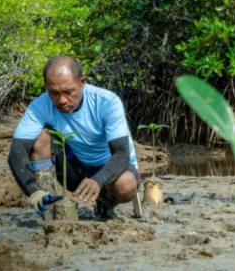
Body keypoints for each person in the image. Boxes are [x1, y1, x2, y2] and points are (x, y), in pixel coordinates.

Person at [8, 55, 139, 220]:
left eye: (68, 92)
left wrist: (97, 180)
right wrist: (34, 192)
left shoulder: (107, 102)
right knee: (42, 137)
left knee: (125, 185)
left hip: (112, 168)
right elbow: (16, 152)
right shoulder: (40, 106)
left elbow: (122, 153)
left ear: (82, 82)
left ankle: (106, 204)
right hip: (74, 169)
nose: (61, 100)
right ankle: (48, 208)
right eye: (54, 93)